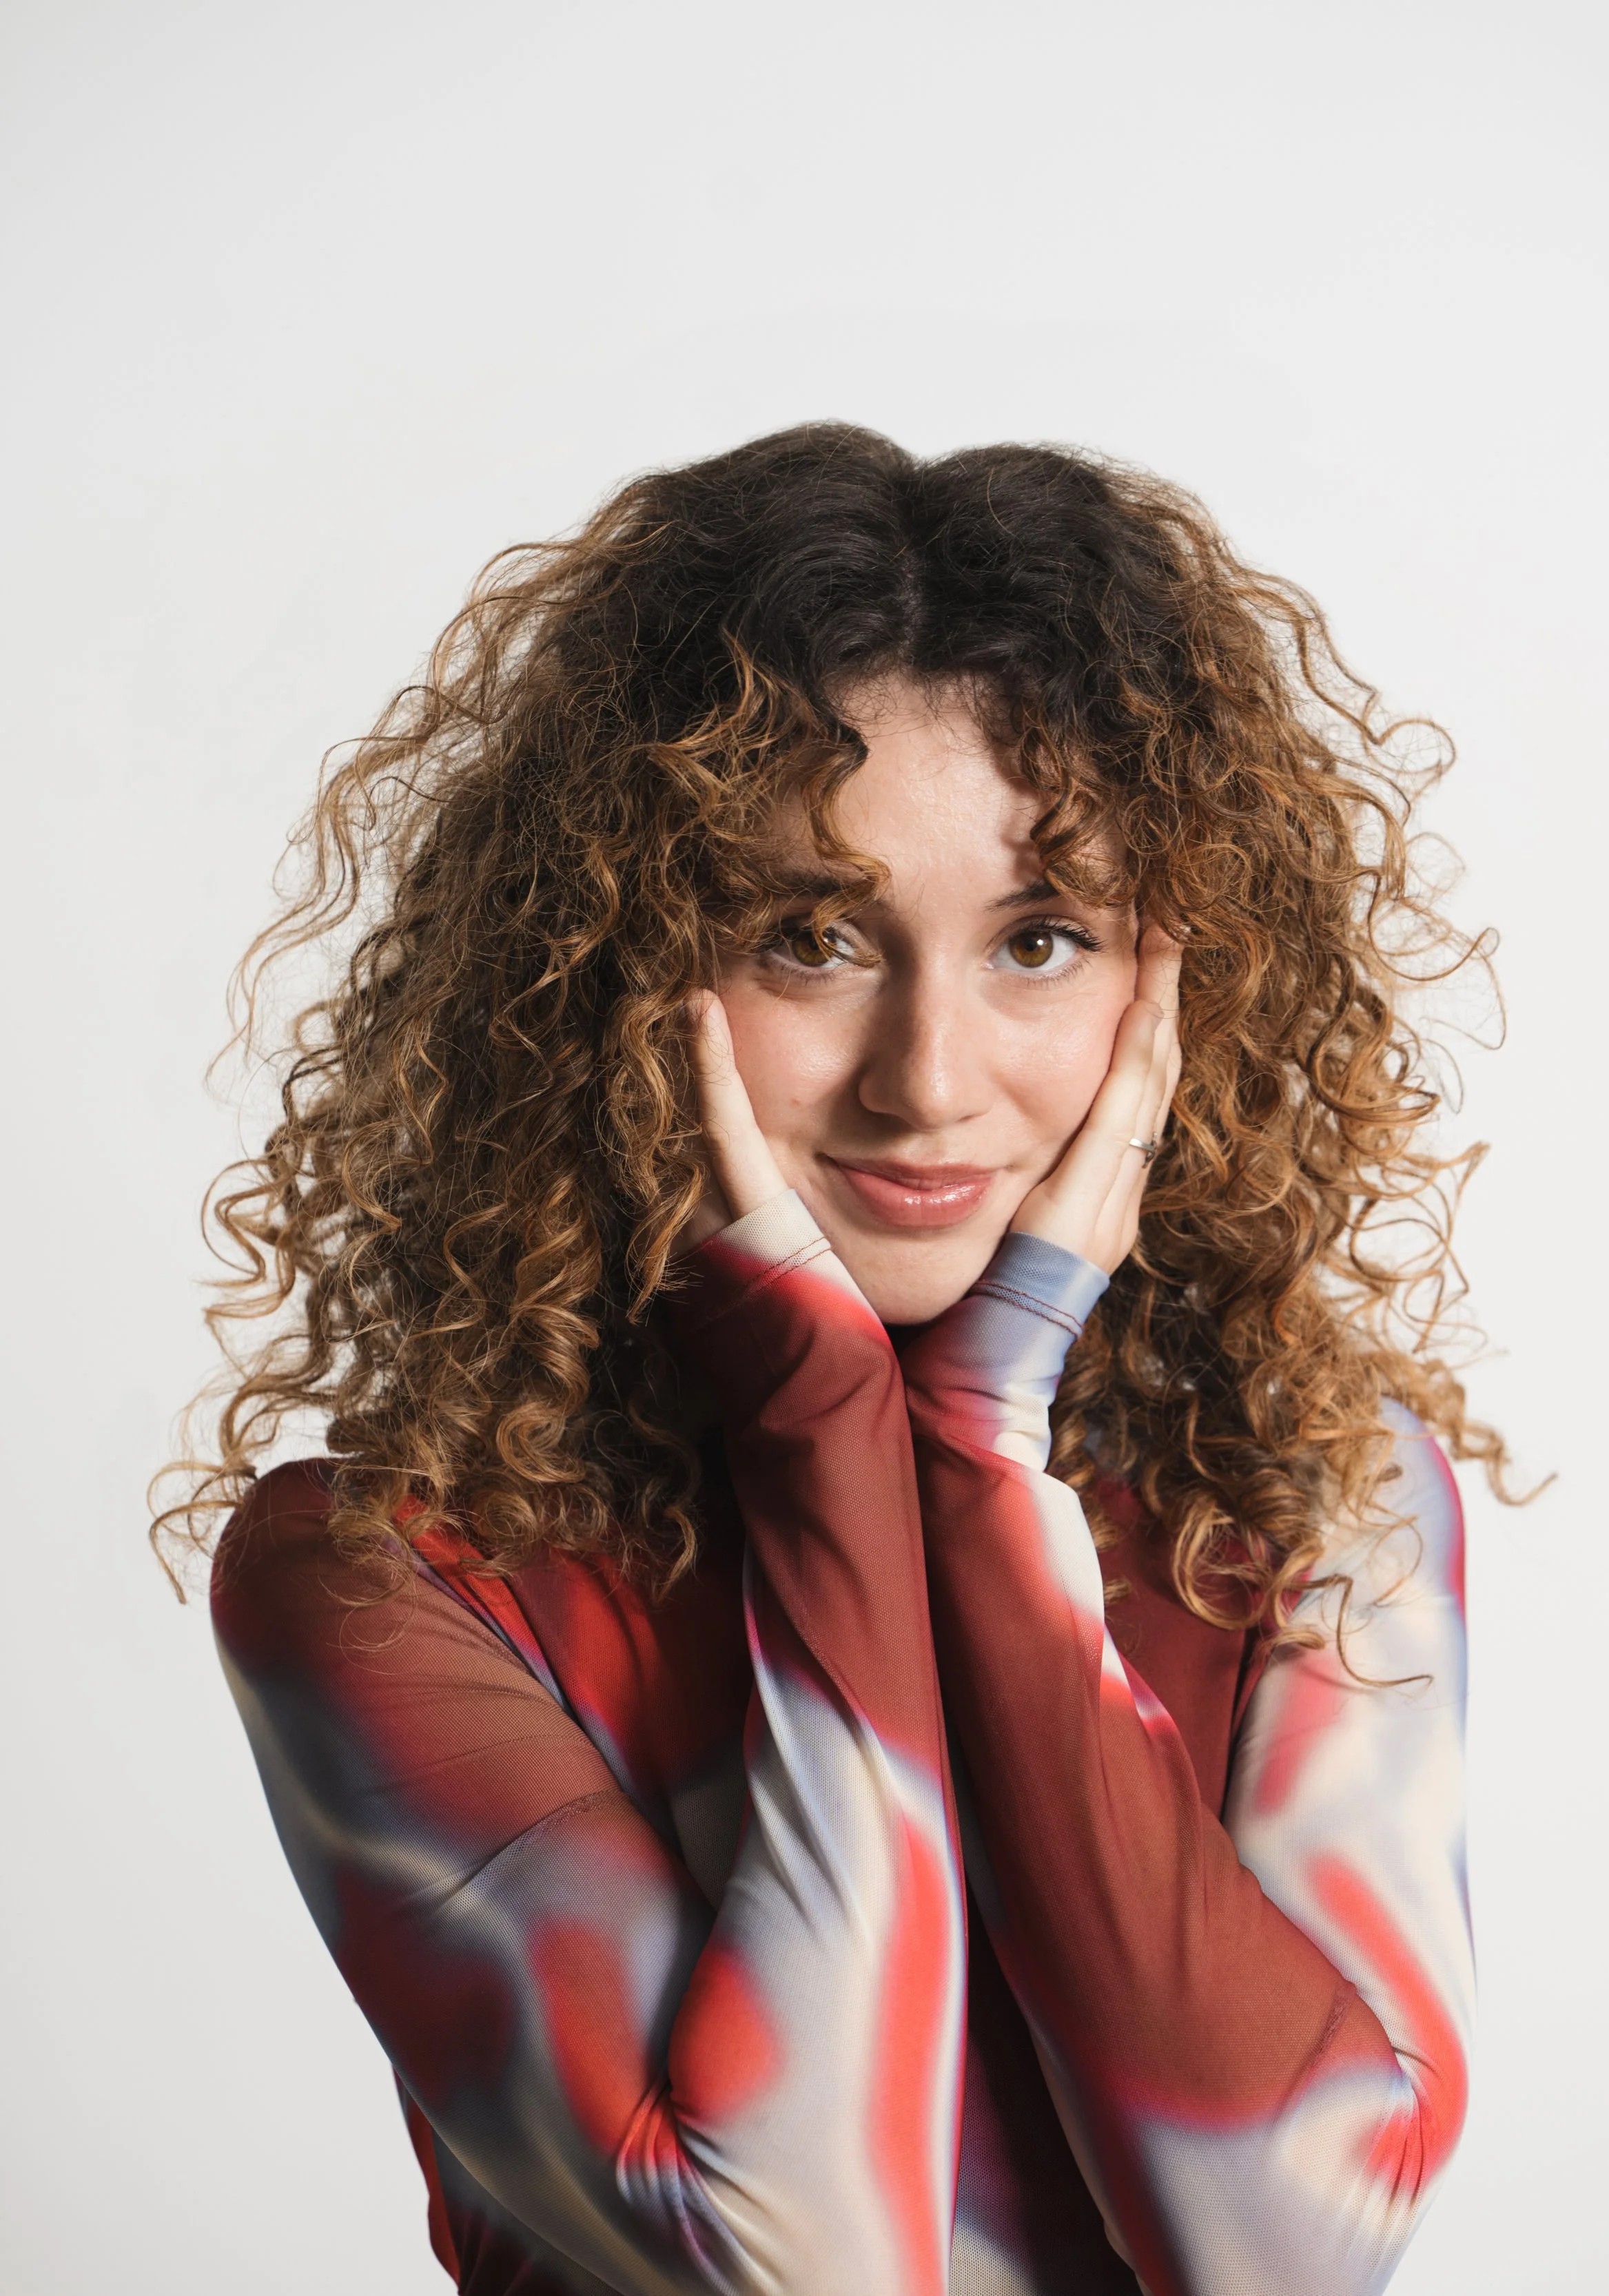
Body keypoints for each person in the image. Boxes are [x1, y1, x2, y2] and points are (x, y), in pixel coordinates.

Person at [170, 425, 1502, 2295]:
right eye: (810, 939)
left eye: (1041, 938)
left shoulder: (1310, 1498)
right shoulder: (388, 1570)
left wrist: (977, 1451)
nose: (928, 1076)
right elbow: (785, 2254)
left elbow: (1285, 2243)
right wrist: (828, 1435)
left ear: (1176, 976)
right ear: (617, 963)